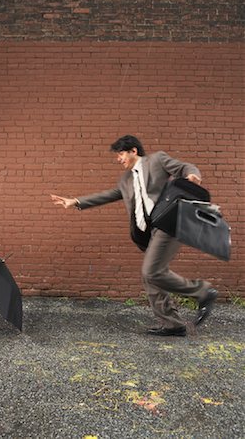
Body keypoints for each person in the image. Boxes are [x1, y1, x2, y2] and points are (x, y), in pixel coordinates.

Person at [51, 135, 218, 337]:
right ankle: (172, 324)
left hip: (167, 225)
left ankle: (202, 291)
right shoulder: (125, 180)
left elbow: (184, 167)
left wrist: (193, 176)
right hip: (148, 234)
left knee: (151, 271)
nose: (118, 159)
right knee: (150, 277)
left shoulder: (157, 160)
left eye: (121, 154)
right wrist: (76, 201)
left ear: (133, 151)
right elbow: (109, 195)